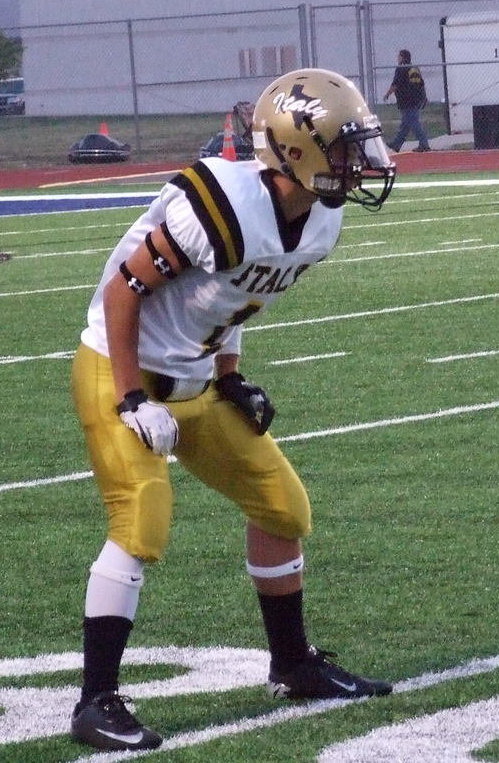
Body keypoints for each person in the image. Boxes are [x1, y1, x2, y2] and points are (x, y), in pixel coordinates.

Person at [68, 68, 397, 752]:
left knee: (283, 507)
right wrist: (130, 396)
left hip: (195, 377)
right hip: (118, 364)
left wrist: (232, 376)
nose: (357, 163)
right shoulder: (222, 203)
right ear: (295, 150)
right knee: (143, 518)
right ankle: (95, 700)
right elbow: (123, 294)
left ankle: (293, 665)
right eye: (343, 148)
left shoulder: (319, 218)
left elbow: (233, 296)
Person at [382, 49, 431, 152]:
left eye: (399, 56)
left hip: (406, 100)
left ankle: (424, 143)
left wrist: (387, 94)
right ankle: (396, 143)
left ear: (403, 57)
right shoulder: (414, 68)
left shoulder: (401, 69)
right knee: (405, 124)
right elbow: (421, 84)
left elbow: (395, 84)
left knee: (413, 122)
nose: (397, 58)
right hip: (416, 99)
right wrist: (424, 97)